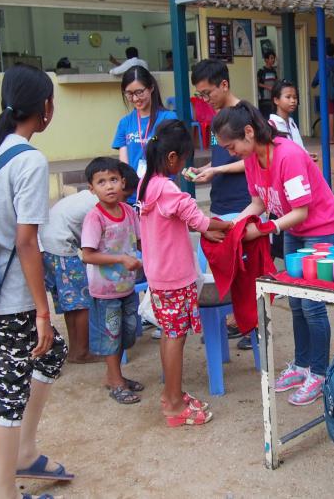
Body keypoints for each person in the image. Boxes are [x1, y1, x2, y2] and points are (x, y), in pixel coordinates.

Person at [0, 64, 72, 499]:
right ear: (44, 108)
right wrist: (43, 310)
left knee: (52, 354)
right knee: (12, 384)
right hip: (11, 295)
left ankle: (25, 450)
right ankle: (5, 489)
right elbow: (27, 242)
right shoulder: (28, 160)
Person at [211, 101, 334, 406]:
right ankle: (301, 364)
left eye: (232, 147)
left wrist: (263, 230)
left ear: (248, 132)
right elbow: (258, 204)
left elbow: (301, 211)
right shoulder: (254, 159)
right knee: (295, 301)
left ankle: (320, 374)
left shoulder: (289, 156)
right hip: (293, 229)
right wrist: (234, 225)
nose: (231, 153)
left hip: (318, 229)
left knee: (312, 305)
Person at [138, 119, 233, 426]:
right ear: (172, 158)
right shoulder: (166, 188)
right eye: (184, 159)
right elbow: (199, 221)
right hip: (174, 277)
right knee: (175, 338)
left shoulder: (148, 183)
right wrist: (231, 226)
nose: (184, 166)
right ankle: (175, 405)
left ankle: (171, 394)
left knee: (170, 334)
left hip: (159, 275)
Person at [41, 162, 139, 364]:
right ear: (93, 187)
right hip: (61, 244)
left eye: (114, 181)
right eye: (126, 196)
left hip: (49, 243)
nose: (124, 199)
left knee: (72, 303)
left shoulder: (98, 201)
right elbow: (93, 251)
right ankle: (82, 351)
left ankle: (77, 350)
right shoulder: (99, 210)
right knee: (83, 301)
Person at [187, 59, 254, 346]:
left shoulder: (245, 115)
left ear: (224, 85)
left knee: (244, 268)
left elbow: (251, 160)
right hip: (220, 199)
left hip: (243, 201)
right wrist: (208, 169)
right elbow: (224, 157)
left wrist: (216, 171)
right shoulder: (217, 118)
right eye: (200, 95)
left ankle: (250, 327)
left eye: (207, 93)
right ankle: (232, 321)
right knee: (220, 267)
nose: (205, 99)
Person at [80, 157, 143, 404]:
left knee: (128, 333)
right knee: (111, 335)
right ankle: (115, 380)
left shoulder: (128, 211)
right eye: (102, 182)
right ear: (92, 189)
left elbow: (140, 240)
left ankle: (114, 376)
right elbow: (88, 255)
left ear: (123, 182)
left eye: (114, 180)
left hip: (127, 287)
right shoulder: (94, 218)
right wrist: (121, 259)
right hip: (105, 292)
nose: (109, 186)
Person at [112, 66, 177, 185]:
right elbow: (124, 163)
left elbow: (171, 155)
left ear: (151, 88)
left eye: (139, 92)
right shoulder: (125, 123)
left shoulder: (168, 118)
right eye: (129, 94)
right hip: (133, 192)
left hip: (159, 189)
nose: (135, 98)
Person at [312, 43, 334, 144]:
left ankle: (331, 138)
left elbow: (317, 78)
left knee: (330, 114)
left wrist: (314, 84)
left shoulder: (324, 63)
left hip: (327, 93)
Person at [257, 50, 279, 120]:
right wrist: (267, 87)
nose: (273, 60)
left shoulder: (274, 71)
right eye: (271, 58)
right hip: (264, 100)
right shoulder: (261, 71)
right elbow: (257, 83)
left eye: (274, 58)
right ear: (266, 60)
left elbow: (276, 81)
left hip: (272, 99)